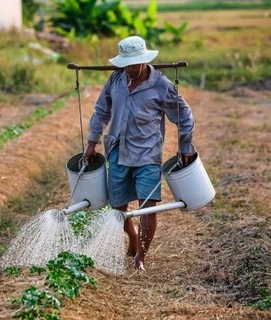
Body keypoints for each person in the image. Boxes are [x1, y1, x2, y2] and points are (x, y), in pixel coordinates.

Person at [83, 35, 197, 271]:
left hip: (147, 155)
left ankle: (140, 259)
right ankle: (133, 238)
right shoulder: (115, 80)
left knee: (148, 206)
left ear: (144, 60)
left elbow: (184, 116)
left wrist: (185, 146)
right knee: (118, 209)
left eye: (135, 64)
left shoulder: (161, 86)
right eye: (126, 64)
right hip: (117, 151)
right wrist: (92, 142)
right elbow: (101, 111)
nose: (131, 68)